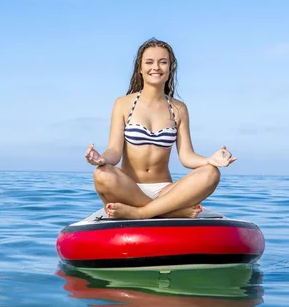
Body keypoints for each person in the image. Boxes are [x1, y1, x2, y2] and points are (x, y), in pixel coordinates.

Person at [85, 38, 237, 220]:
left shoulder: (179, 108)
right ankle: (169, 212)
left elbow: (187, 156)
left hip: (166, 191)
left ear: (170, 68)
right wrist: (101, 158)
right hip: (129, 188)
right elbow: (115, 152)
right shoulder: (123, 104)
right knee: (102, 174)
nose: (155, 67)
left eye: (162, 62)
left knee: (211, 173)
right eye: (149, 62)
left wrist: (210, 160)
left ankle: (142, 212)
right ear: (140, 69)